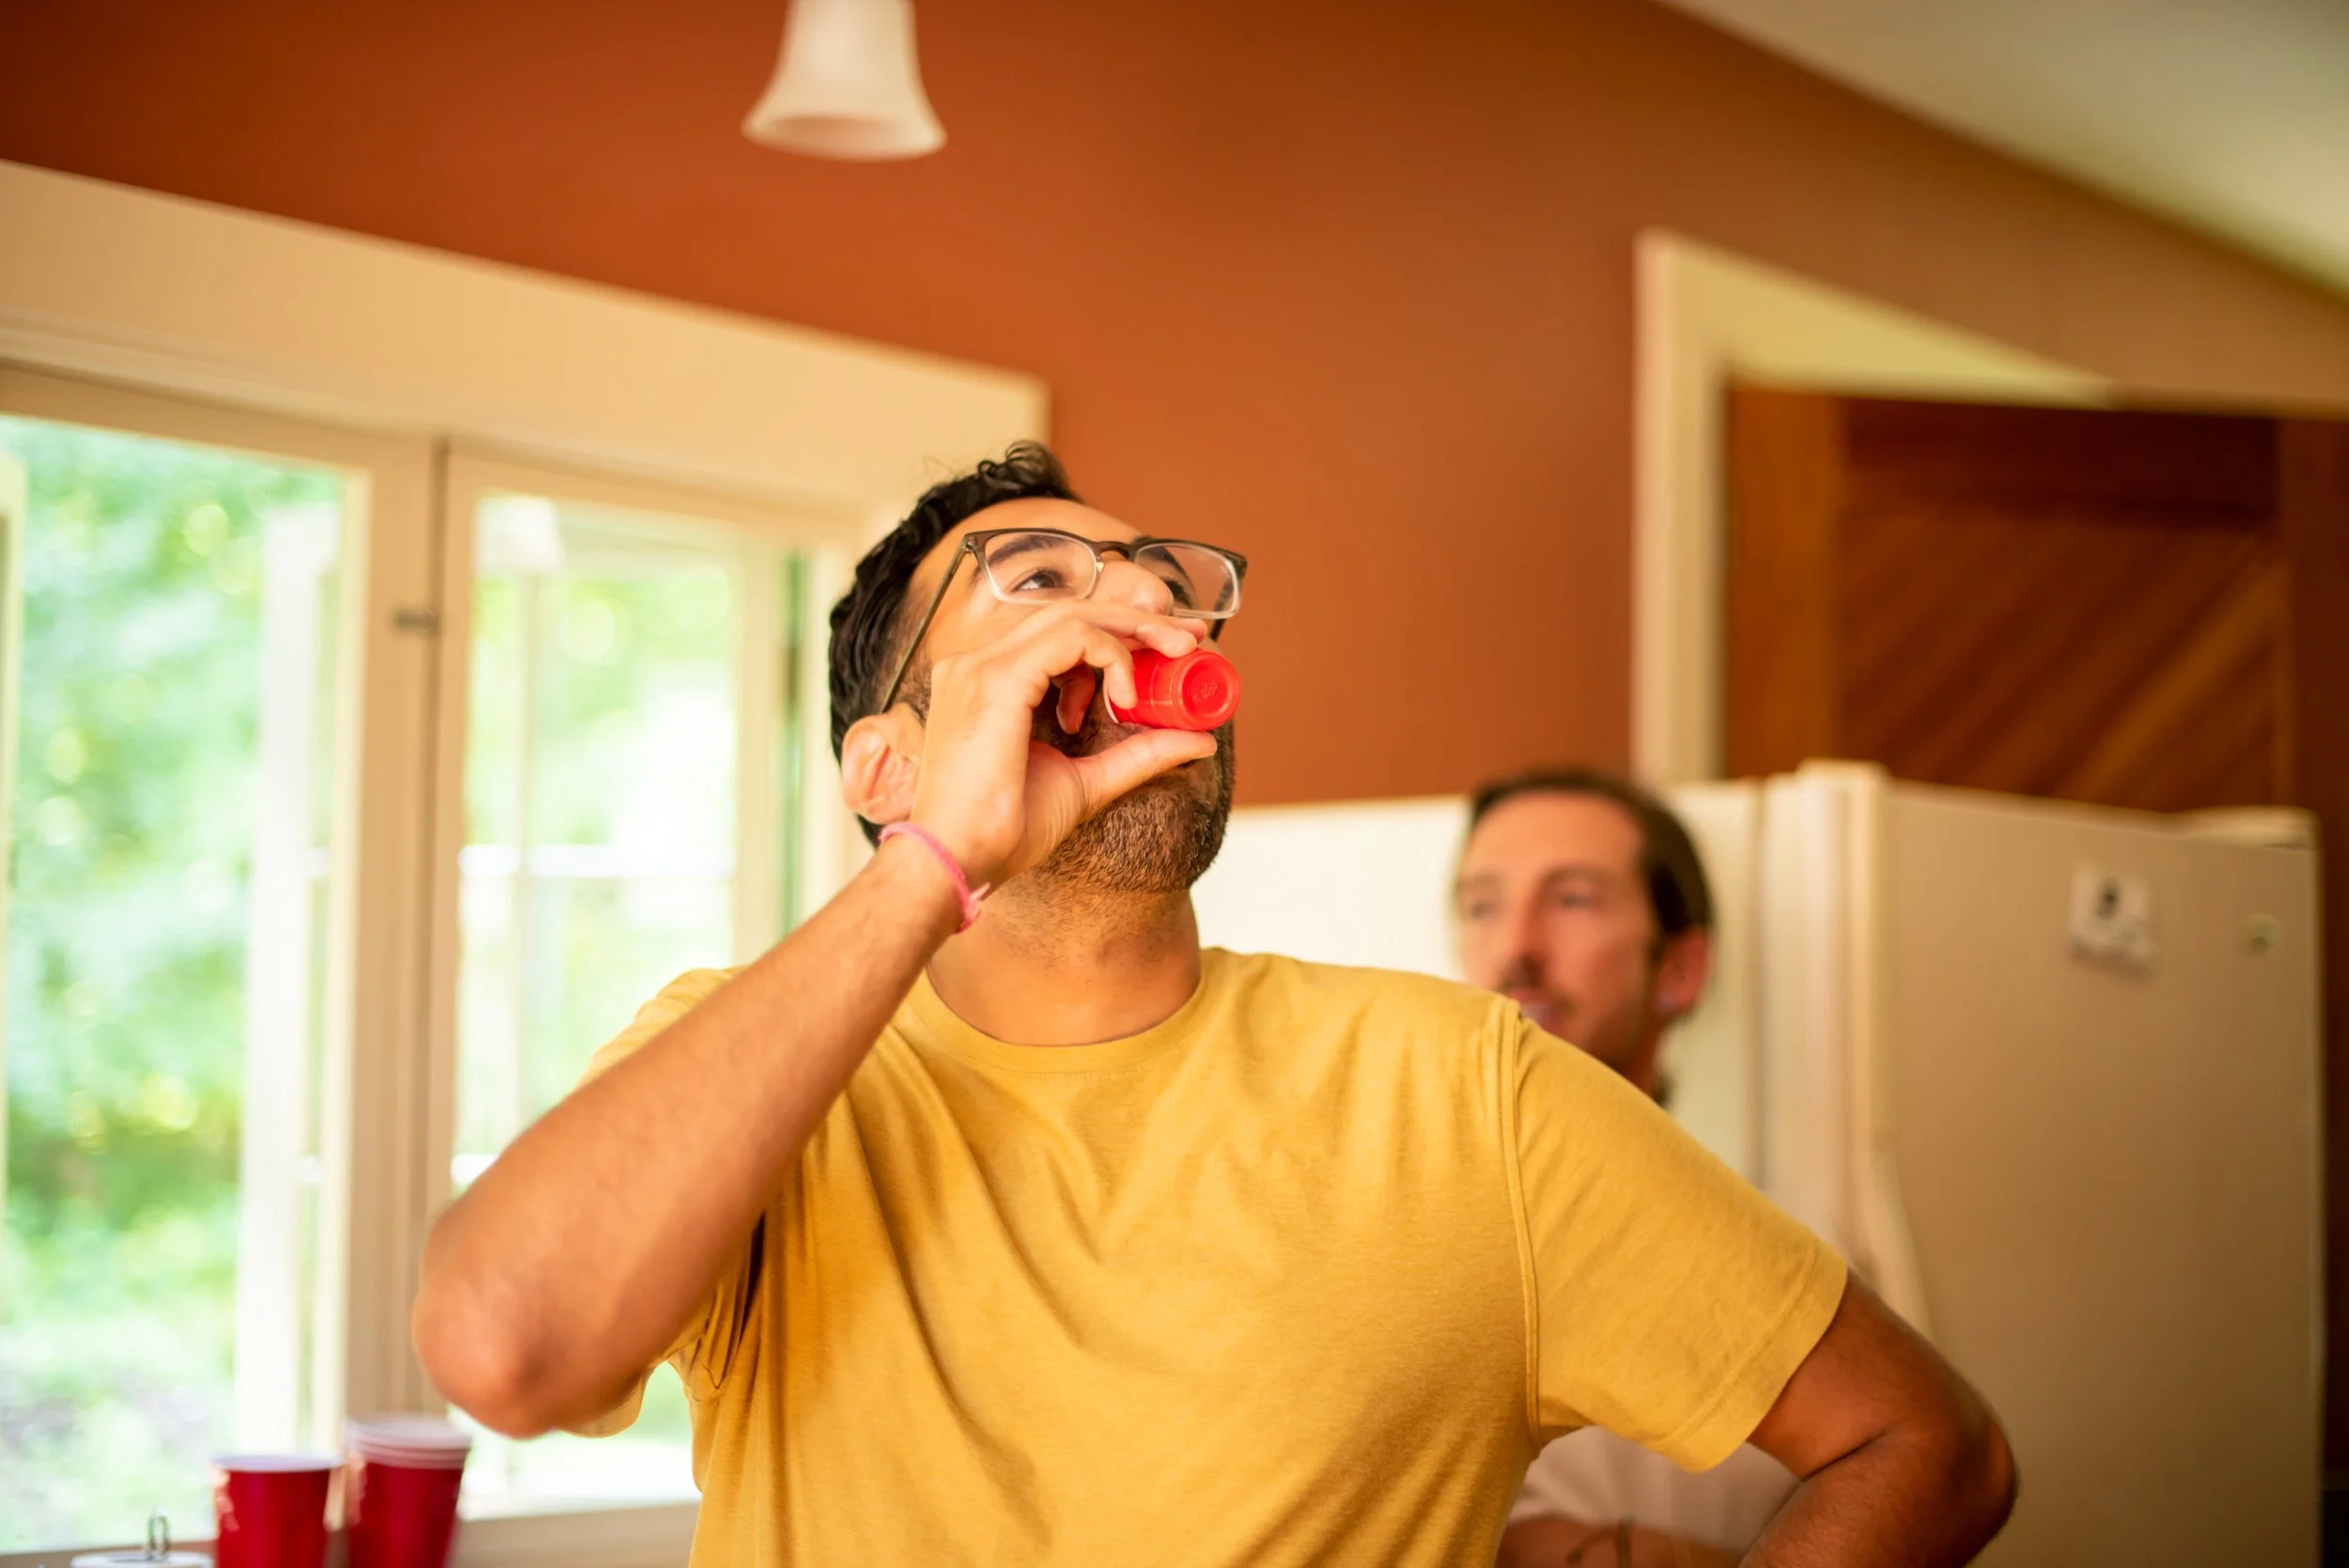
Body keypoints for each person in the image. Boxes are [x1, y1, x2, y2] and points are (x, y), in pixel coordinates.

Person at [412, 443, 2015, 1566]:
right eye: (1040, 580)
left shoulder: (1468, 1091)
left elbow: (1927, 1445)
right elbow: (503, 1342)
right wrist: (933, 862)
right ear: (886, 762)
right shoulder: (758, 1076)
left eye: (1158, 583)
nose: (1139, 612)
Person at [1455, 768, 1805, 1567]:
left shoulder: (1786, 1266)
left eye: (1574, 899)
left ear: (1679, 969)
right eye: (1482, 905)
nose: (1517, 948)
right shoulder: (1381, 1234)